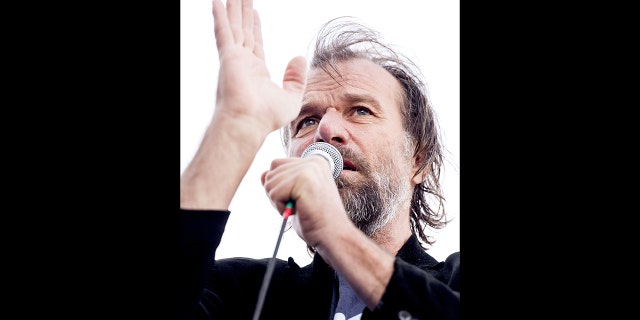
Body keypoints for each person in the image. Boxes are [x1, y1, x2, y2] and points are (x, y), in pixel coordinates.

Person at [179, 0, 460, 319]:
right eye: (307, 120)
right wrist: (234, 126)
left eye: (361, 111)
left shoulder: (453, 282)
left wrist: (335, 234)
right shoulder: (240, 290)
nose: (325, 130)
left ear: (418, 161)